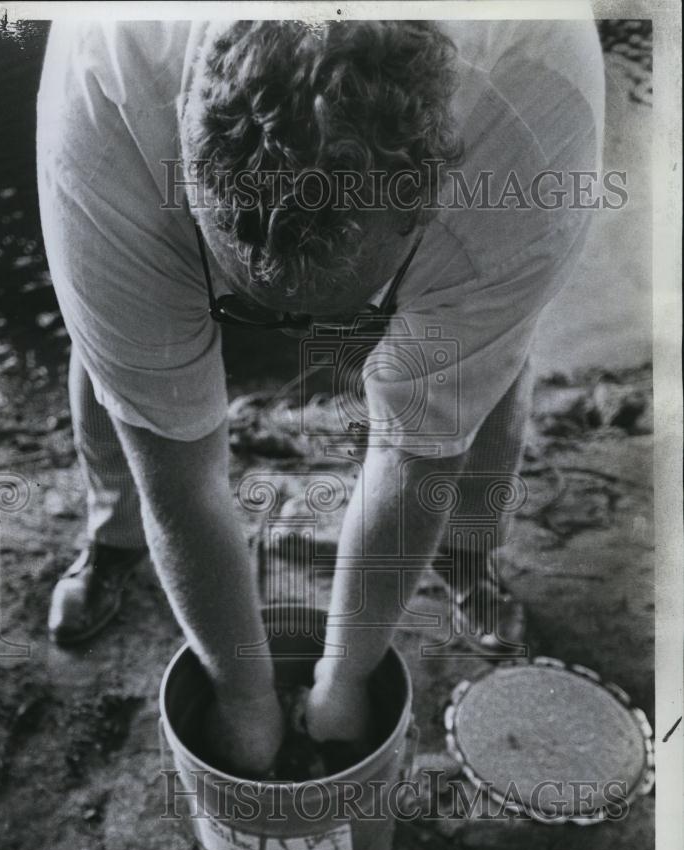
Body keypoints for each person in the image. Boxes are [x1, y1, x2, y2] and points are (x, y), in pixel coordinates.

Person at [36, 18, 605, 776]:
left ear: (425, 202)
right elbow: (180, 477)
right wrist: (242, 693)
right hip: (133, 153)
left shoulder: (536, 133)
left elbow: (417, 452)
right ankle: (112, 536)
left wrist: (346, 677)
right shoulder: (106, 100)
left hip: (492, 177)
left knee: (483, 367)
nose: (295, 331)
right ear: (190, 174)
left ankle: (470, 552)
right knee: (119, 347)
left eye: (338, 307)